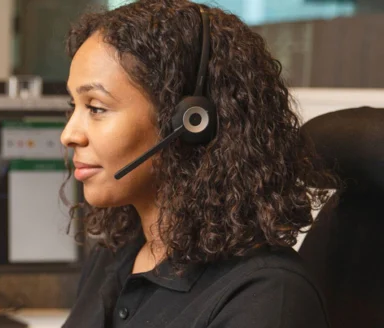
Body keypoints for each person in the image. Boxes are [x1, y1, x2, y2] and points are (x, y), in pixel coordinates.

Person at [60, 0, 338, 327]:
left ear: (191, 122)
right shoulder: (116, 253)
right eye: (73, 105)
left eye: (96, 107)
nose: (69, 134)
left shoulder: (266, 297)